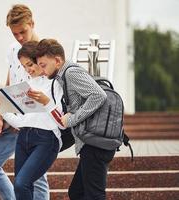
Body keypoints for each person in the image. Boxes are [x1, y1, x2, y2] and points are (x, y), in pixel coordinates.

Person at [35, 39, 116, 200]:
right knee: (77, 193)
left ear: (57, 61)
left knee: (94, 195)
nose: (42, 71)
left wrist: (72, 119)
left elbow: (99, 95)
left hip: (96, 144)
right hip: (91, 144)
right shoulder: (62, 76)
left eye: (43, 65)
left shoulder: (71, 72)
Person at [0, 4, 50, 200]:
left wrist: (24, 115)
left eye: (23, 31)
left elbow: (49, 87)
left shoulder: (45, 50)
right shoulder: (13, 49)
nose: (20, 37)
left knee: (36, 176)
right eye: (15, 34)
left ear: (32, 23)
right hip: (11, 118)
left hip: (35, 121)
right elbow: (10, 81)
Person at [1, 41, 64, 200]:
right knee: (19, 186)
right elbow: (21, 122)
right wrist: (1, 109)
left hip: (46, 139)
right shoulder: (27, 85)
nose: (28, 70)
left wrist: (46, 102)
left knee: (22, 183)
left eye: (30, 64)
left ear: (38, 60)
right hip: (23, 137)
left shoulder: (55, 83)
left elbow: (61, 122)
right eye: (24, 67)